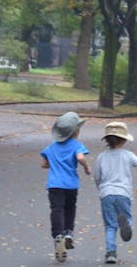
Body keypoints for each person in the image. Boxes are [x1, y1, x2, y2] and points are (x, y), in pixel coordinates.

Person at [94, 122, 137, 264]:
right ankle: (127, 224)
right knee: (126, 216)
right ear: (124, 140)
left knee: (110, 225)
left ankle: (110, 253)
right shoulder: (128, 155)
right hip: (123, 193)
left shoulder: (101, 157)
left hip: (106, 193)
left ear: (106, 140)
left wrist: (101, 188)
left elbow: (97, 176)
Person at [40, 112, 91, 263]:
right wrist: (87, 168)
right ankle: (68, 232)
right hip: (71, 185)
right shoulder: (77, 145)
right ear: (76, 132)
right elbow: (80, 157)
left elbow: (43, 164)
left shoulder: (51, 147)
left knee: (57, 209)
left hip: (54, 184)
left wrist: (54, 164)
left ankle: (58, 236)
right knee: (70, 208)